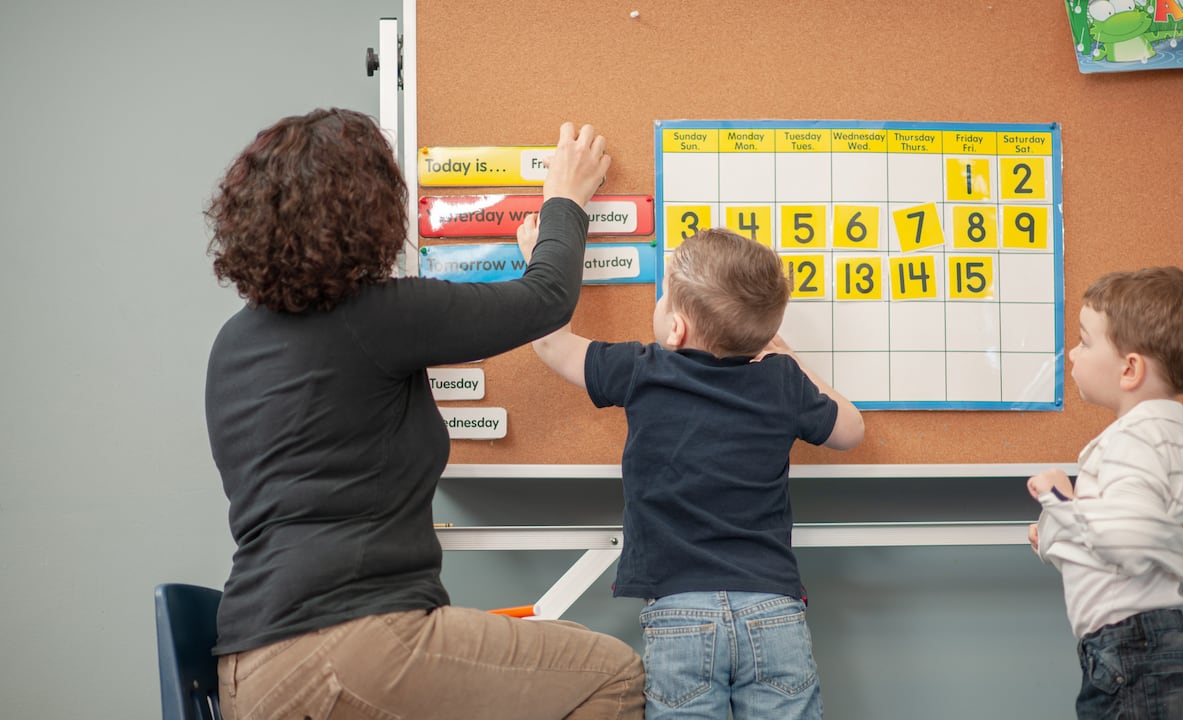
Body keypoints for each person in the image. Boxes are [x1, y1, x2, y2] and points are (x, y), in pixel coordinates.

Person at [203, 109, 644, 720]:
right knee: (612, 675)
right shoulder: (382, 316)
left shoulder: (232, 345)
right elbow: (546, 297)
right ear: (369, 211)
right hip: (350, 645)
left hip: (246, 671)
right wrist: (565, 200)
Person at [521, 223, 865, 720]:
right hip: (773, 610)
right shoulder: (781, 381)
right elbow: (850, 428)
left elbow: (552, 346)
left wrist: (542, 256)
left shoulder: (644, 369)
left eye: (664, 297)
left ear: (676, 329)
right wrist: (782, 350)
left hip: (678, 610)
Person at [1026, 266, 1183, 720]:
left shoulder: (1129, 441)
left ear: (1129, 368)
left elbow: (1128, 540)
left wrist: (1060, 501)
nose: (1073, 353)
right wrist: (1060, 529)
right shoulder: (1171, 441)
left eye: (1085, 341)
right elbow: (1158, 528)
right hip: (1154, 648)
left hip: (1130, 651)